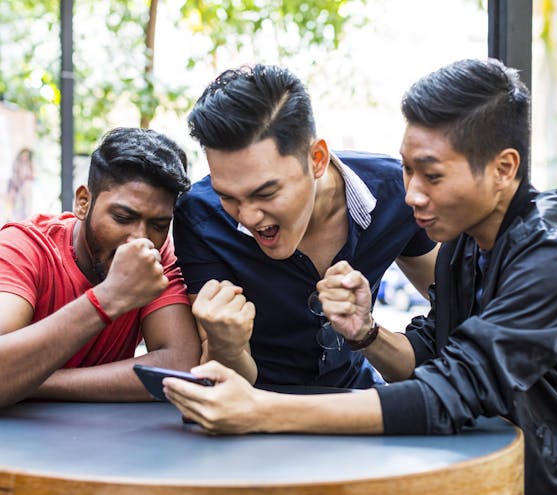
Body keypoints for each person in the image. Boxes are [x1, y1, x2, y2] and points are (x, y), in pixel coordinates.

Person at [164, 59, 557, 495]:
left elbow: (450, 392)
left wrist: (261, 411)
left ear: (504, 169)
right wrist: (366, 333)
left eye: (432, 176)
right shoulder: (464, 243)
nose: (410, 195)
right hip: (502, 468)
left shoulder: (552, 253)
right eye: (406, 169)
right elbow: (434, 354)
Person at [173, 64, 438, 390]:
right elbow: (225, 380)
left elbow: (456, 304)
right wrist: (226, 345)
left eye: (266, 193)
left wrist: (369, 332)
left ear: (317, 159)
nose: (247, 216)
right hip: (256, 415)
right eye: (227, 196)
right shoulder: (200, 216)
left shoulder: (394, 193)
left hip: (358, 404)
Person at [0, 127, 201, 417]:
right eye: (123, 218)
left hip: (92, 443)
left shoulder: (157, 257)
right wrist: (108, 298)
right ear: (83, 202)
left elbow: (180, 365)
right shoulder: (23, 247)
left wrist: (29, 382)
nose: (140, 239)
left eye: (159, 225)